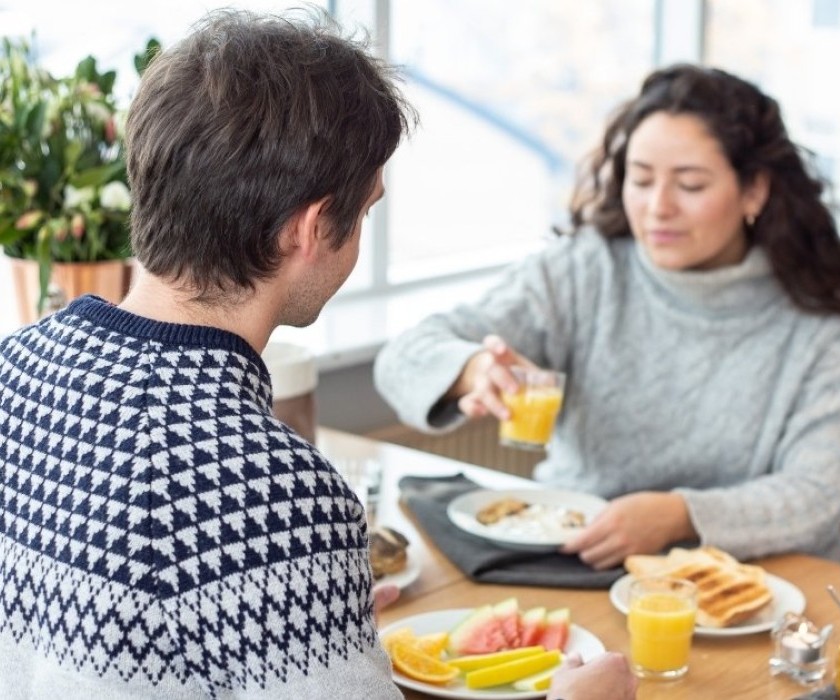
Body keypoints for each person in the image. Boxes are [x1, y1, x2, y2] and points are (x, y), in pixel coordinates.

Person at [0, 10, 634, 700]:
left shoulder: (14, 366)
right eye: (362, 214)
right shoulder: (275, 495)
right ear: (308, 228)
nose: (359, 239)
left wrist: (318, 624)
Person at [375, 64, 840, 570]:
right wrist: (470, 368)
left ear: (754, 190)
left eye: (690, 185)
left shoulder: (833, 330)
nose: (657, 208)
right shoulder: (585, 270)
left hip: (751, 592)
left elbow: (812, 498)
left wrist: (679, 516)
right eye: (641, 180)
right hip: (573, 564)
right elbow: (404, 357)